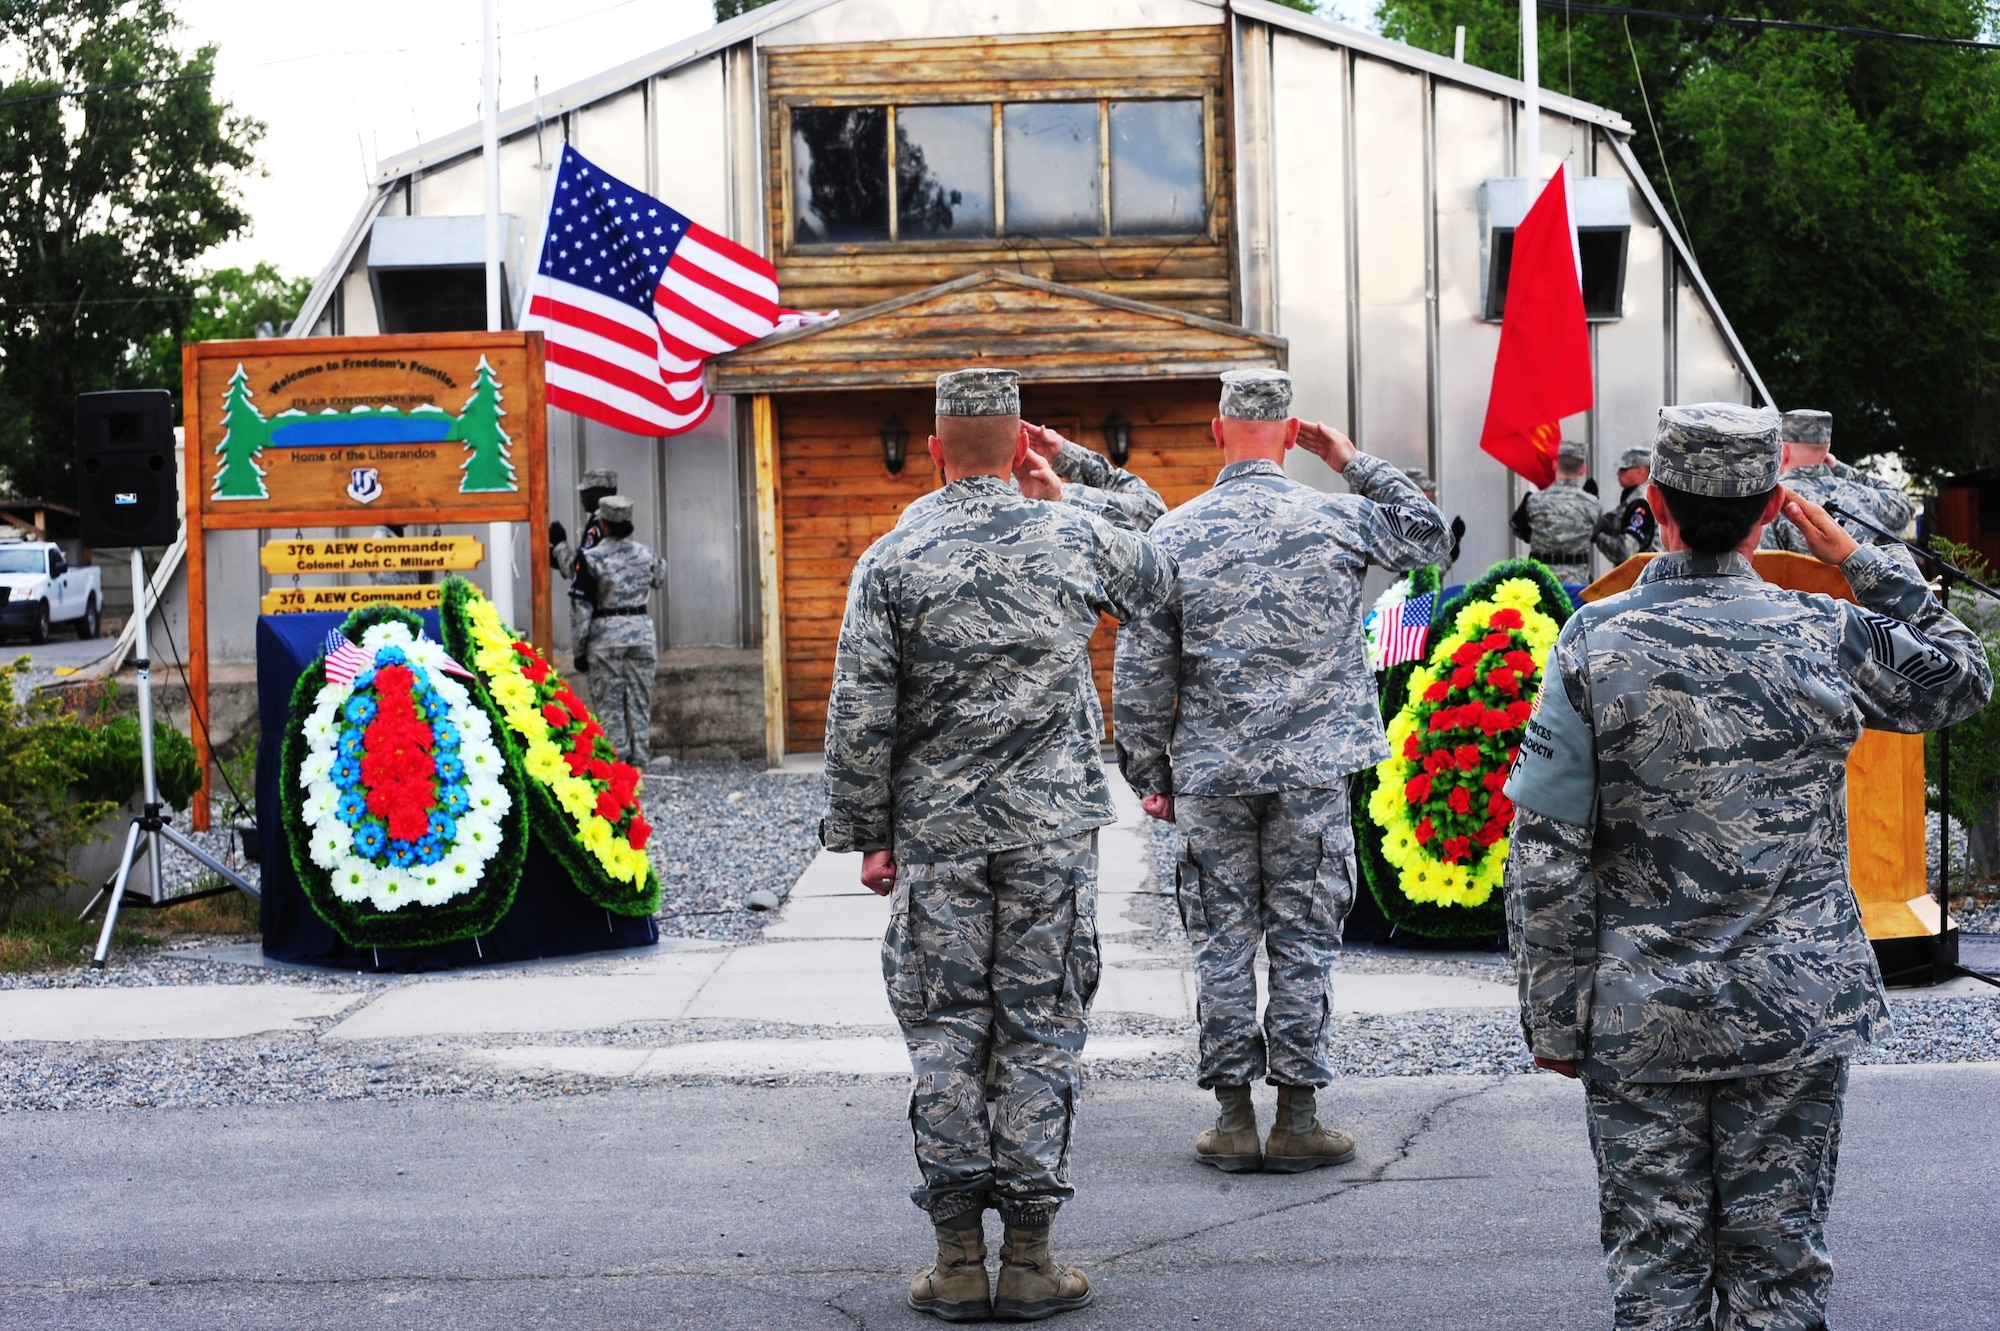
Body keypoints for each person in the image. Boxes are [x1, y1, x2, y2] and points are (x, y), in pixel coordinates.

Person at [1503, 402, 1991, 1330]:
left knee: (1656, 1275)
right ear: (1774, 508)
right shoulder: (1825, 631)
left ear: (1653, 502)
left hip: (1642, 1016)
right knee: (1778, 1276)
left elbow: (1547, 856)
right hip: (1792, 1012)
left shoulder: (1591, 641)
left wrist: (1555, 1017)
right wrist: (1858, 557)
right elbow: (1965, 674)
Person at [821, 367, 1172, 1323]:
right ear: (1021, 444)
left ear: (933, 450)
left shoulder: (893, 555)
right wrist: (1075, 481)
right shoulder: (1073, 534)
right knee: (1040, 1029)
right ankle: (1030, 1257)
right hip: (1050, 834)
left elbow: (859, 712)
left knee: (944, 1036)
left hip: (936, 837)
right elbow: (1163, 568)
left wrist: (865, 835)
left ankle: (954, 1260)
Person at [1113, 369, 1451, 1175]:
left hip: (1211, 775)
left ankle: (1233, 1121)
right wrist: (1353, 459)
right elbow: (1430, 538)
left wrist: (1147, 770)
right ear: (1292, 431)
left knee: (1222, 942)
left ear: (1216, 429)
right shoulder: (1336, 515)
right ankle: (1298, 1117)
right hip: (1311, 773)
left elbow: (1141, 668)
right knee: (1303, 939)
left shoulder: (1174, 534)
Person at [574, 494, 666, 767]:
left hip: (605, 636)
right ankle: (640, 761)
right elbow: (660, 578)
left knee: (610, 704)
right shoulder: (647, 554)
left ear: (602, 523)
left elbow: (581, 607)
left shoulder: (591, 559)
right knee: (640, 699)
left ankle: (616, 766)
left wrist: (579, 648)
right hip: (641, 632)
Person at [1759, 409, 1915, 552]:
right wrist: (1841, 469)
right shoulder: (1864, 497)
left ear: (1783, 451)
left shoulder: (1770, 500)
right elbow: (1904, 504)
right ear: (1827, 449)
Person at [550, 468, 618, 666]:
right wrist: (557, 558)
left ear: (600, 494)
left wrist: (560, 544)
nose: (581, 496)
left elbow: (581, 570)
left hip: (603, 626)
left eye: (585, 492)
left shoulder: (599, 525)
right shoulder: (617, 522)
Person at [1510, 439, 1601, 585]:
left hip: (1540, 580)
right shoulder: (1592, 504)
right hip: (1577, 582)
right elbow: (1595, 532)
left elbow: (1520, 531)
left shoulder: (1534, 501)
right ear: (1582, 469)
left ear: (1554, 464)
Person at [1591, 447, 1658, 565]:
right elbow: (1611, 521)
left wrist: (1597, 536)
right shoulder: (1632, 500)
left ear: (1640, 471)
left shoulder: (1642, 503)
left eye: (1624, 469)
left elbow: (1625, 552)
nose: (1618, 472)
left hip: (1640, 577)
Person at [1404, 467, 1465, 580]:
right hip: (1410, 592)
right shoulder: (1407, 523)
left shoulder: (1415, 520)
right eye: (1425, 489)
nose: (1430, 494)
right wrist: (1450, 553)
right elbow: (1424, 575)